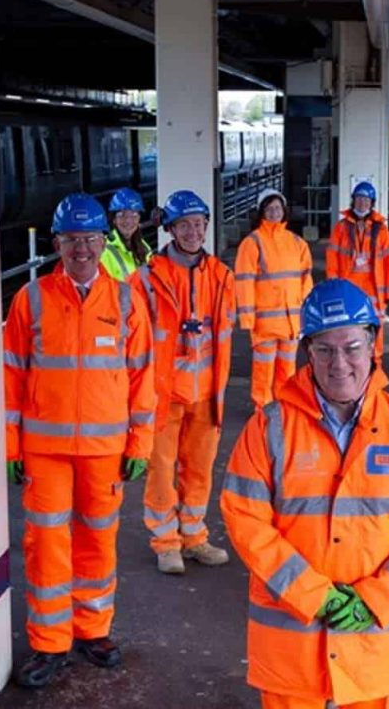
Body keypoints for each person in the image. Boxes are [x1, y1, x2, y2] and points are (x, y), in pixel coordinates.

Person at [221, 279, 389, 709]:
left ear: (373, 344)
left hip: (378, 650)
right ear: (307, 352)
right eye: (325, 350)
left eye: (351, 347)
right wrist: (314, 594)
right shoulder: (269, 428)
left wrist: (378, 597)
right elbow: (244, 518)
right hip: (293, 652)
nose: (339, 363)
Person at [2, 192, 156, 688]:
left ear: (102, 240)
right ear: (57, 243)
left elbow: (143, 378)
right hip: (43, 450)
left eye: (90, 239)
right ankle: (50, 643)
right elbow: (9, 378)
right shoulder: (31, 300)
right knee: (45, 544)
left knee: (98, 541)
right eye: (72, 240)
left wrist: (140, 444)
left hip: (105, 450)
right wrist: (9, 446)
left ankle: (92, 630)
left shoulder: (126, 299)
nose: (82, 250)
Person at [137, 189, 235, 574]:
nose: (193, 232)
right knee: (161, 468)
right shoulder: (145, 279)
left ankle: (194, 536)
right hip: (162, 394)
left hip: (207, 393)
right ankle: (166, 543)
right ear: (170, 229)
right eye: (184, 225)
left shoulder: (222, 276)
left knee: (200, 468)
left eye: (198, 224)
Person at [235, 188, 314, 410]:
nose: (274, 213)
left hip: (292, 322)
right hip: (265, 323)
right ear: (261, 212)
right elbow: (244, 282)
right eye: (269, 209)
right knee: (263, 371)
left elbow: (306, 279)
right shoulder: (252, 243)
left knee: (287, 370)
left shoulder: (297, 243)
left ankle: (282, 408)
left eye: (278, 208)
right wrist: (248, 319)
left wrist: (306, 315)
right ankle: (263, 409)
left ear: (284, 211)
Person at [325, 181, 389, 359]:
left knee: (375, 333)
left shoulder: (381, 230)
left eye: (366, 199)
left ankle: (375, 371)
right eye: (359, 199)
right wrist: (333, 286)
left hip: (374, 290)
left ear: (372, 203)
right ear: (353, 201)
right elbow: (332, 258)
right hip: (348, 288)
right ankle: (353, 370)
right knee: (348, 332)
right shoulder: (341, 228)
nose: (362, 203)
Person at [101, 187, 152, 280]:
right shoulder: (103, 249)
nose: (128, 220)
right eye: (122, 214)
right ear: (114, 219)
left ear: (139, 218)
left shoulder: (145, 248)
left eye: (133, 215)